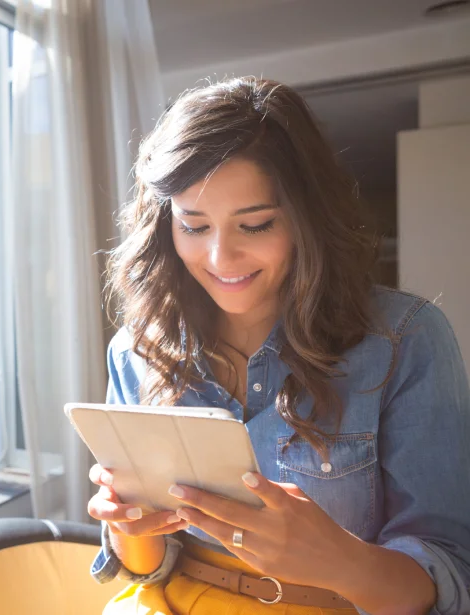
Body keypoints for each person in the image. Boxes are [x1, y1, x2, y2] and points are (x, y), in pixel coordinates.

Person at [87, 77, 470, 615]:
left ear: (307, 218)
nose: (220, 259)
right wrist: (127, 526)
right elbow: (148, 568)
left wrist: (339, 561)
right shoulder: (137, 349)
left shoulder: (404, 339)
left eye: (255, 225)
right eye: (193, 227)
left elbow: (451, 576)